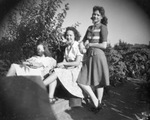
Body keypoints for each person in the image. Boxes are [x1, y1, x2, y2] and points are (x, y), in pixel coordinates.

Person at [77, 6, 110, 113]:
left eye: (98, 15)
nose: (95, 16)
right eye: (94, 14)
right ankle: (96, 100)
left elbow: (104, 45)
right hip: (89, 55)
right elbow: (82, 41)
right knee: (81, 80)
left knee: (98, 82)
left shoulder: (103, 27)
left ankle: (97, 105)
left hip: (98, 55)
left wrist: (90, 44)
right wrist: (82, 46)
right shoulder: (89, 28)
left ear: (101, 17)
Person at [43, 27, 84, 104]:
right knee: (55, 71)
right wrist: (58, 66)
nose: (68, 37)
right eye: (67, 35)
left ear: (75, 36)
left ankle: (40, 86)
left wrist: (63, 64)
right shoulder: (67, 47)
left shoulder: (77, 46)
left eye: (71, 35)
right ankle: (50, 97)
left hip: (75, 70)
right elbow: (64, 61)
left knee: (57, 73)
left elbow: (77, 63)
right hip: (68, 69)